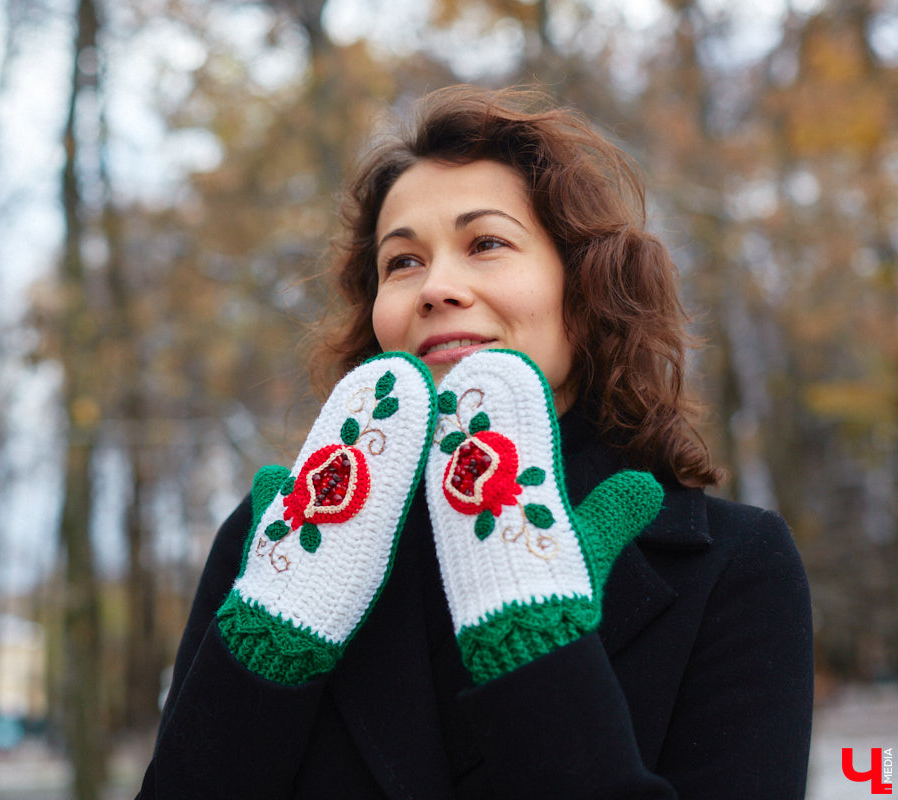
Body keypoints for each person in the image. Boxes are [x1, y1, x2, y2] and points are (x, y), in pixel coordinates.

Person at [137, 85, 813, 799]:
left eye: (485, 243)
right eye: (402, 262)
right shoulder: (276, 544)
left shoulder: (738, 566)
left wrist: (534, 642)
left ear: (584, 291)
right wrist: (270, 646)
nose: (437, 287)